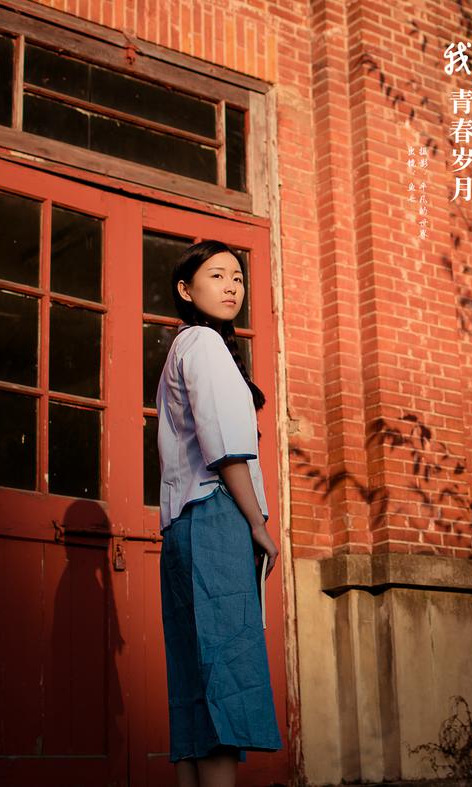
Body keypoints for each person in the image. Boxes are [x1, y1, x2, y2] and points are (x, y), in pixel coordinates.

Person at [156, 239, 282, 787]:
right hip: (215, 517)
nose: (232, 286)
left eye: (237, 277)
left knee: (194, 679)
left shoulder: (183, 348)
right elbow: (225, 447)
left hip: (184, 526)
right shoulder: (204, 342)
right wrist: (256, 523)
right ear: (186, 290)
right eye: (217, 275)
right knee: (225, 674)